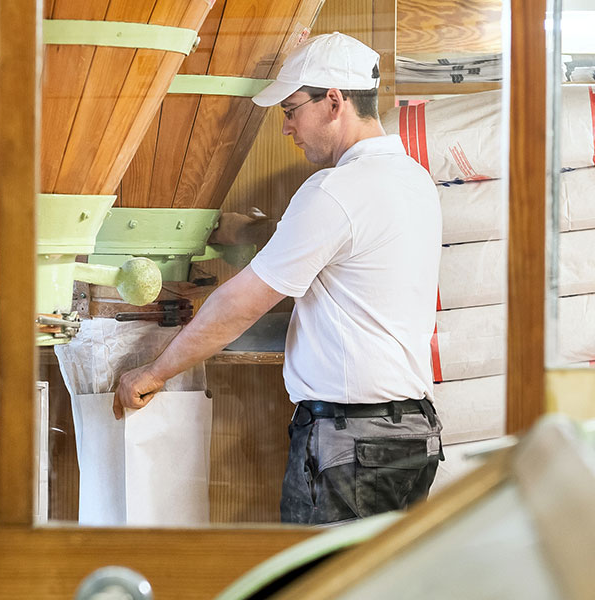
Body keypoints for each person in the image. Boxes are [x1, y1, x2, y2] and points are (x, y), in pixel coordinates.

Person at [114, 32, 443, 525]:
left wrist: (154, 372)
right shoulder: (413, 180)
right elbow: (347, 257)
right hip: (412, 437)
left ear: (334, 101)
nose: (286, 127)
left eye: (291, 110)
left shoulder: (335, 191)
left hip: (350, 445)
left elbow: (241, 303)